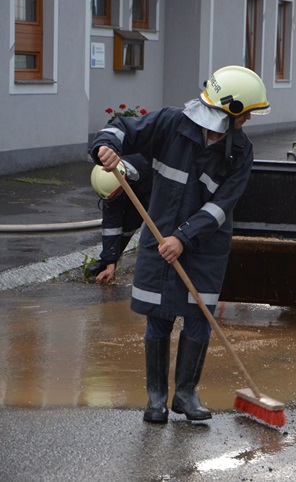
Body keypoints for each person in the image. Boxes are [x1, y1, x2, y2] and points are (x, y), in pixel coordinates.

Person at [90, 66, 270, 423]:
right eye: (246, 112)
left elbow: (222, 206)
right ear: (229, 110)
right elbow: (122, 127)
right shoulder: (172, 124)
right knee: (158, 317)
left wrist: (183, 238)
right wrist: (105, 146)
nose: (249, 119)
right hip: (160, 240)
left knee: (199, 317)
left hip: (205, 246)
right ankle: (156, 400)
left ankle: (185, 395)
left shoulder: (241, 152)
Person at [86, 154, 153, 283]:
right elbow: (111, 223)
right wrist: (110, 261)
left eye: (116, 194)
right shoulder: (110, 179)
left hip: (152, 186)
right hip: (133, 185)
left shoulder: (148, 168)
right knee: (129, 223)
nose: (114, 199)